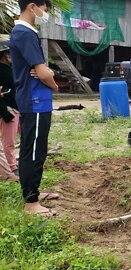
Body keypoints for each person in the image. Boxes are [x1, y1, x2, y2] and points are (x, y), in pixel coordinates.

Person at [10, 0, 60, 217]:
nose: (45, 14)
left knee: (35, 147)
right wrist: (54, 84)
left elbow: (42, 70)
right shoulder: (25, 33)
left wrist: (46, 73)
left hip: (36, 100)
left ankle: (35, 192)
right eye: (45, 9)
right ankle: (31, 202)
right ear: (32, 7)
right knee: (33, 150)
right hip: (35, 100)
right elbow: (43, 73)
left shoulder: (25, 32)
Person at [0, 38, 21, 178]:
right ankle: (12, 167)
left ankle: (14, 164)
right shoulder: (3, 70)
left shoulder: (9, 69)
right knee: (9, 142)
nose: (9, 55)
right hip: (8, 109)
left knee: (16, 138)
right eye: (8, 53)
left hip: (14, 107)